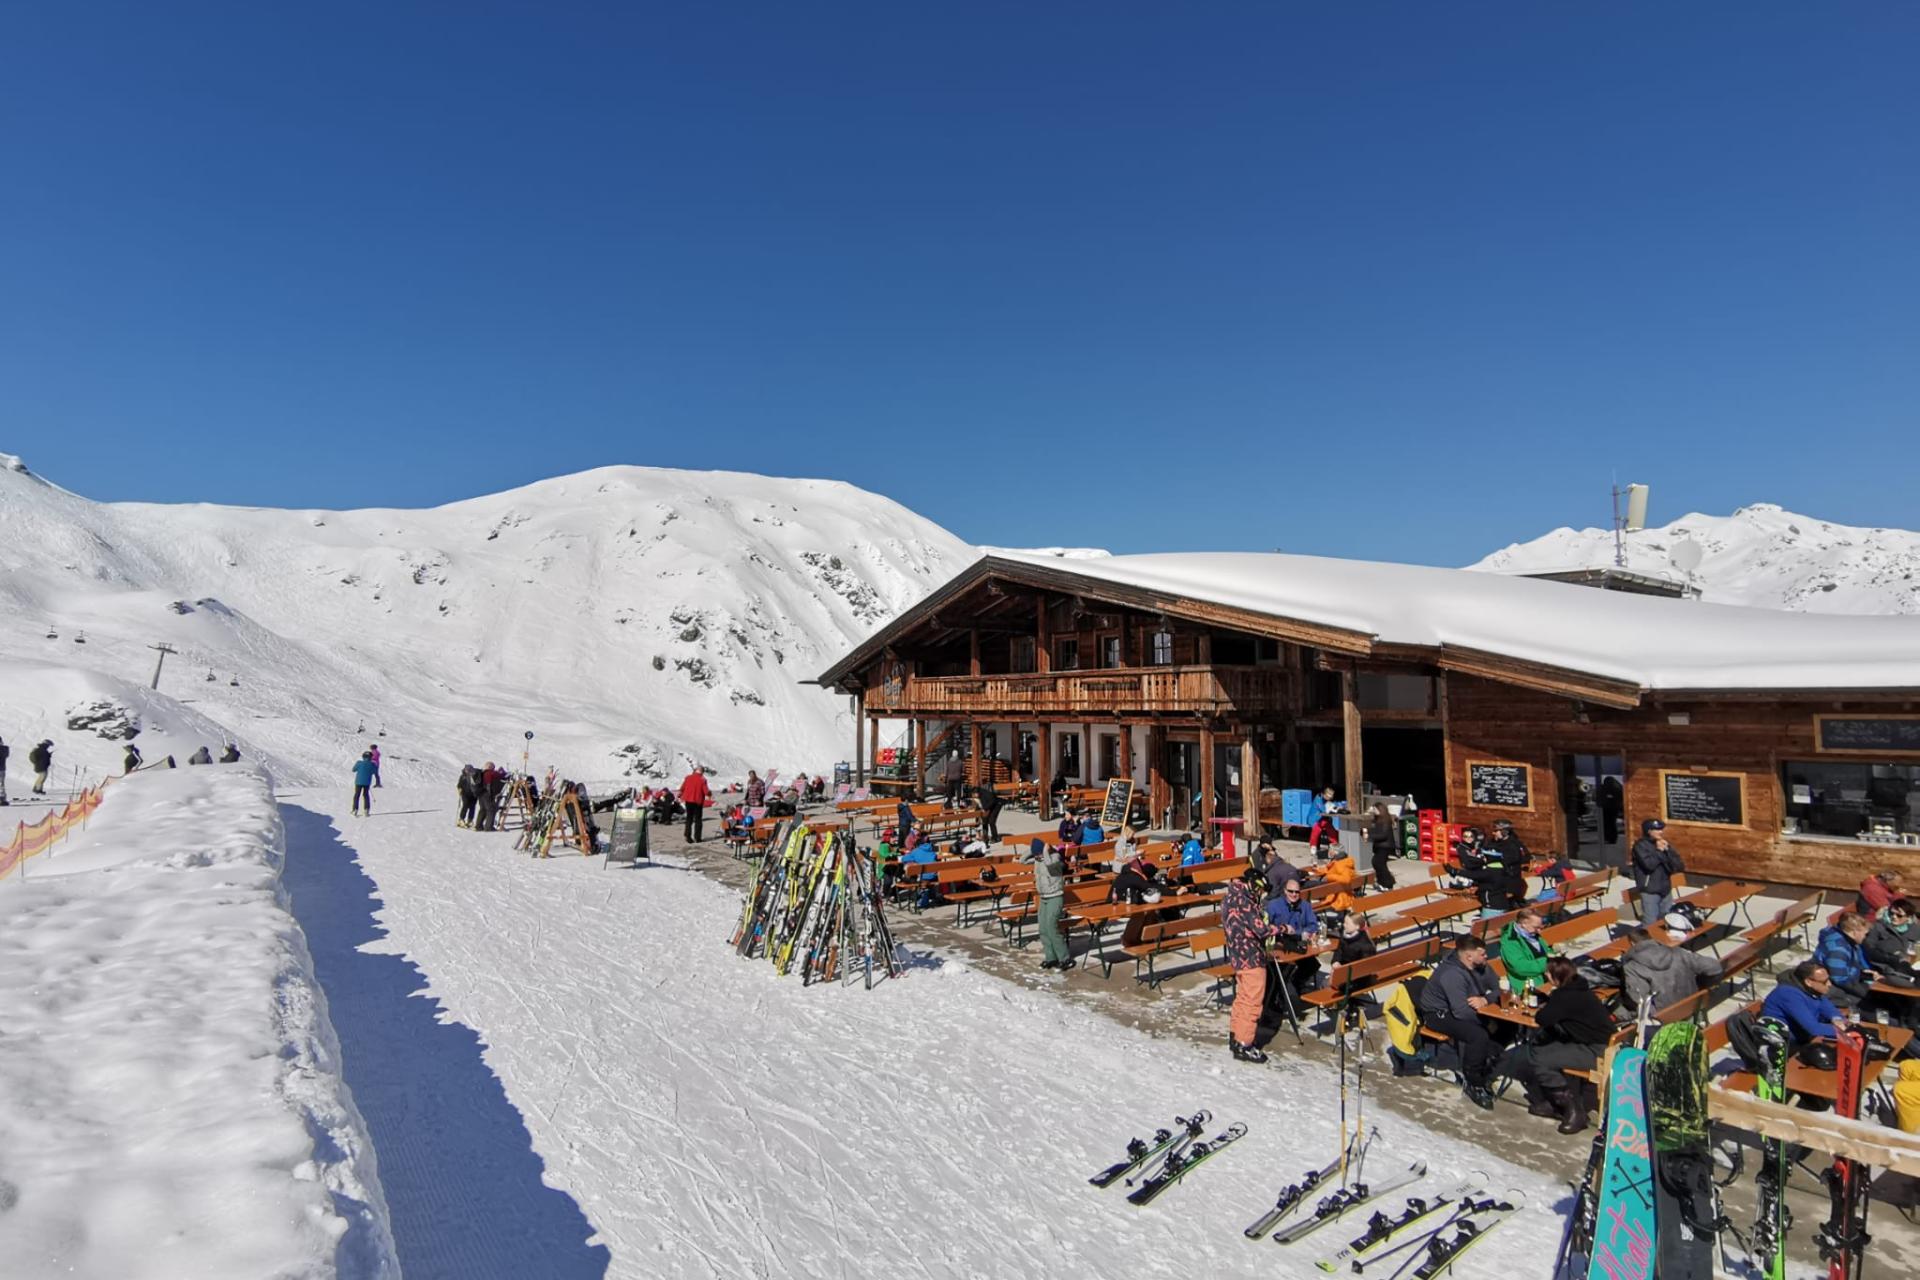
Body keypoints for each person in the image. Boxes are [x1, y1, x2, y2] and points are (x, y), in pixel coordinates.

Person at [1509, 956, 1613, 1134]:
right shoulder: (1581, 988)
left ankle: (1573, 1111)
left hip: (1597, 1053)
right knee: (1541, 1048)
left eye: (1548, 974)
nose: (1546, 976)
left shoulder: (1565, 996)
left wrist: (1546, 1005)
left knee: (1541, 1058)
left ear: (1554, 977)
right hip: (1605, 1046)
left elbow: (1543, 1018)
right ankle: (1554, 1102)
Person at [1417, 936, 1503, 1109]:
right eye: (1482, 954)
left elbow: (1498, 989)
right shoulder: (1451, 974)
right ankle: (1472, 1080)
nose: (1486, 956)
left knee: (1506, 1026)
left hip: (1465, 1008)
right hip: (1438, 1014)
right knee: (1477, 1035)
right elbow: (1461, 1012)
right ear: (1469, 956)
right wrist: (1486, 1021)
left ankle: (1486, 1060)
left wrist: (1485, 1000)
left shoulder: (1481, 966)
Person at [1223, 866, 1280, 1063]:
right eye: (1261, 891)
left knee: (1242, 997)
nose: (1261, 895)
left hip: (1237, 955)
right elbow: (1261, 929)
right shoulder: (1245, 901)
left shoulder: (1230, 896)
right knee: (1252, 1001)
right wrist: (1281, 928)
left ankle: (1236, 1035)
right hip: (1251, 956)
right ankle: (1245, 1043)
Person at [1621, 927, 1721, 1015]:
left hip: (1663, 1015)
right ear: (1651, 938)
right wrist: (1702, 985)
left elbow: (1640, 1000)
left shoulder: (1631, 968)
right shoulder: (1677, 952)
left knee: (1620, 1009)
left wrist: (1655, 1017)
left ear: (1632, 943)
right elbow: (1714, 967)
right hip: (1692, 1004)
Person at [1760, 961, 1849, 1049]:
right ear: (1808, 982)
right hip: (1786, 1044)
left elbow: (1830, 1010)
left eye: (1829, 979)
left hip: (1804, 1035)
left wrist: (1837, 1020)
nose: (1829, 984)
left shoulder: (1811, 990)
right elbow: (1814, 1029)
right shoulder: (1789, 995)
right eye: (1824, 982)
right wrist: (1842, 1030)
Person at [1018, 838, 1073, 971]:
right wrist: (1032, 850)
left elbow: (1049, 864)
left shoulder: (1055, 857)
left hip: (1055, 896)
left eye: (1039, 854)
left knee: (1051, 927)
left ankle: (1065, 958)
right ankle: (1051, 957)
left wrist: (1045, 851)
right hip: (1043, 897)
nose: (1037, 857)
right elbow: (1022, 860)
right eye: (1036, 855)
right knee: (1043, 929)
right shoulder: (1038, 859)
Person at [1814, 912, 1880, 1010]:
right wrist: (1866, 991)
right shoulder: (1838, 949)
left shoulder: (1848, 942)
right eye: (1865, 934)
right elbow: (1839, 979)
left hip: (1843, 985)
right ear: (1855, 932)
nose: (1865, 937)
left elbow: (1849, 966)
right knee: (1874, 1005)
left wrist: (1863, 973)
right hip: (1832, 992)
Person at [1629, 819, 1683, 924]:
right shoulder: (1640, 846)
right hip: (1650, 890)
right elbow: (1649, 865)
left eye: (1661, 829)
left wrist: (1668, 850)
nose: (1661, 832)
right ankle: (1647, 936)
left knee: (1667, 919)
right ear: (1649, 831)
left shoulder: (1663, 844)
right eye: (1657, 830)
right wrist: (1659, 851)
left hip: (1665, 888)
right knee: (1650, 922)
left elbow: (1679, 866)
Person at [1499, 908, 1553, 995]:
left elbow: (1546, 951)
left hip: (1546, 978)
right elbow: (1520, 967)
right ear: (1524, 923)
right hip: (1528, 986)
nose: (1539, 931)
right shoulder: (1510, 941)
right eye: (1536, 927)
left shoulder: (1532, 934)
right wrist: (1549, 962)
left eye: (1540, 927)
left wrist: (1555, 954)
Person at [1318, 847, 1360, 915]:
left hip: (1339, 897)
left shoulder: (1341, 865)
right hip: (1347, 893)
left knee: (1316, 885)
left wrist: (1329, 877)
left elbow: (1346, 879)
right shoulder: (1348, 863)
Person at [1367, 803, 1398, 891]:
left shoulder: (1386, 821)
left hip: (1385, 846)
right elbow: (1372, 828)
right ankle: (1382, 882)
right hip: (1379, 845)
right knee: (1378, 863)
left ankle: (1388, 883)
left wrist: (1371, 837)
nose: (1374, 811)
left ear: (1380, 810)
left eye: (1375, 809)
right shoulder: (1377, 819)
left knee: (1378, 863)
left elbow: (1383, 835)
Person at [680, 765, 712, 843]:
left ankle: (687, 836)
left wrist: (681, 795)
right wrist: (709, 793)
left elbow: (682, 788)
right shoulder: (702, 779)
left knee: (689, 818)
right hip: (698, 801)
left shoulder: (688, 778)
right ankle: (697, 837)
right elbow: (706, 791)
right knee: (698, 820)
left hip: (688, 800)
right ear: (702, 772)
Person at [1598, 775, 1624, 845]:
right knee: (1611, 823)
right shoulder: (1617, 788)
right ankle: (1611, 838)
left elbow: (1599, 796)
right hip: (1613, 808)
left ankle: (1608, 838)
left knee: (1607, 823)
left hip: (1606, 808)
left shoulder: (1604, 788)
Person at [474, 761, 501, 830]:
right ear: (490, 767)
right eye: (493, 767)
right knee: (491, 810)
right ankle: (488, 827)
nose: (494, 769)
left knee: (483, 809)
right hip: (487, 794)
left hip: (481, 794)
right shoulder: (490, 773)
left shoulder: (482, 773)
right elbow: (499, 775)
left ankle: (478, 826)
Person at [351, 751, 377, 817]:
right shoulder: (372, 764)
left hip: (358, 782)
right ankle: (366, 810)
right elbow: (374, 772)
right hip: (367, 782)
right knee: (366, 795)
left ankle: (355, 810)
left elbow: (353, 770)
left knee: (357, 795)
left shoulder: (359, 763)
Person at [0, 734, 9, 805]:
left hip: (1, 768)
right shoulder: (4, 748)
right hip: (2, 769)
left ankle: (2, 798)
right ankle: (2, 799)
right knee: (1, 784)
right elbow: (6, 755)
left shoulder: (4, 749)